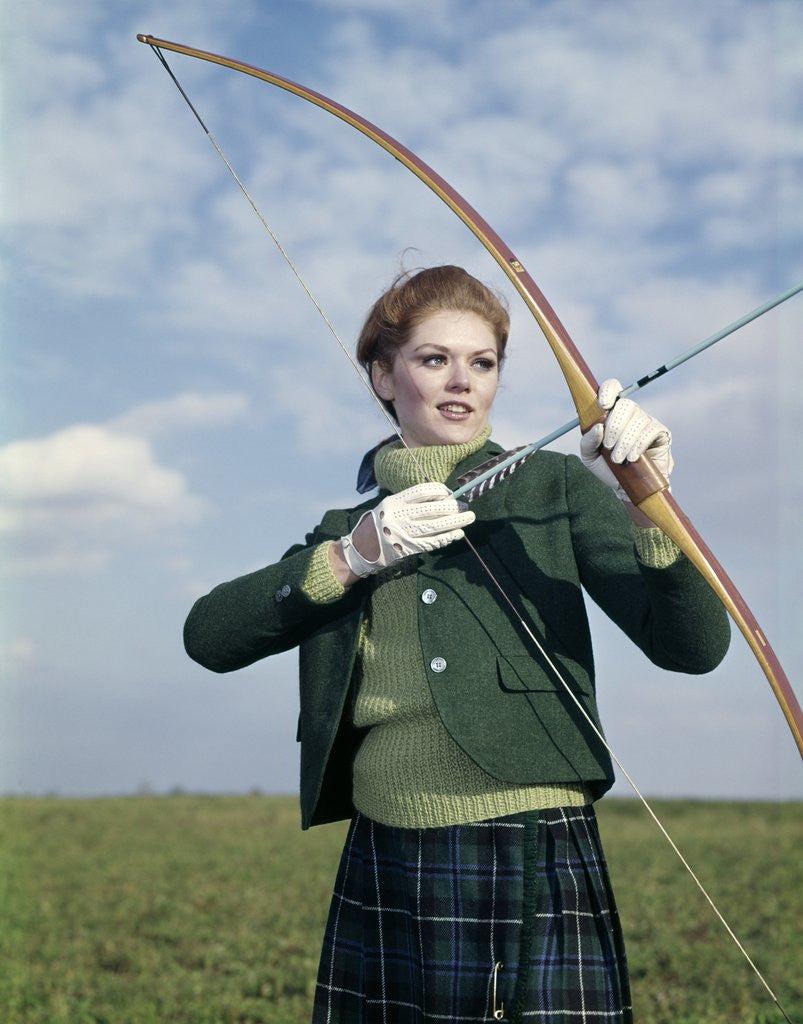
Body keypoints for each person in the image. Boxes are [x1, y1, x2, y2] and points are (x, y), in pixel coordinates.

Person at [184, 265, 730, 1023]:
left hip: (528, 835)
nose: (461, 381)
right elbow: (208, 635)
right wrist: (353, 557)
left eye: (482, 363)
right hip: (385, 845)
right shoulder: (347, 528)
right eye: (432, 358)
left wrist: (648, 504)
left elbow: (692, 647)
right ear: (382, 374)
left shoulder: (550, 485)